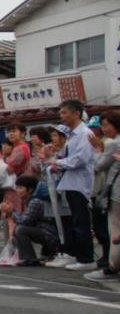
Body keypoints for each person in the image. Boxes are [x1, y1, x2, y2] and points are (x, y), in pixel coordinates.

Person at [47, 100, 97, 271]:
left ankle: (86, 258)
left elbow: (80, 159)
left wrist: (59, 162)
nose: (62, 116)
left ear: (76, 113)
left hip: (80, 184)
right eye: (61, 113)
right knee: (75, 222)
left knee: (81, 222)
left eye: (65, 113)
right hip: (72, 183)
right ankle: (78, 255)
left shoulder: (84, 133)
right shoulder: (73, 135)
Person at [85, 112, 120, 281]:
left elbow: (99, 165)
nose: (103, 129)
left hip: (115, 193)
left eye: (106, 125)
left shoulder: (114, 143)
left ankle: (112, 268)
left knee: (115, 230)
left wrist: (98, 150)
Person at [1, 175, 60, 266]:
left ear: (30, 189)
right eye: (16, 188)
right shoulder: (29, 200)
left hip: (50, 235)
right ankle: (35, 256)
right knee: (20, 229)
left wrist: (12, 211)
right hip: (47, 233)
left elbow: (25, 221)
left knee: (21, 229)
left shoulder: (35, 201)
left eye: (20, 188)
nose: (17, 190)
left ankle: (29, 258)